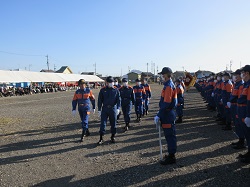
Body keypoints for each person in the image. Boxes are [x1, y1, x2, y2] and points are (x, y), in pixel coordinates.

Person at [154, 67, 177, 165]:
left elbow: (166, 103)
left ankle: (172, 157)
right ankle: (171, 154)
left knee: (169, 136)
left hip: (167, 114)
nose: (162, 76)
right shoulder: (169, 85)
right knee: (169, 135)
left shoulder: (168, 86)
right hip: (167, 113)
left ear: (167, 74)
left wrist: (159, 114)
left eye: (163, 74)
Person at [97, 76, 121, 144]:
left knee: (113, 124)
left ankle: (113, 137)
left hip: (113, 108)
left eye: (112, 82)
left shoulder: (116, 90)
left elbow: (119, 100)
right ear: (106, 82)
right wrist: (99, 109)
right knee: (103, 124)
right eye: (109, 82)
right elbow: (100, 100)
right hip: (105, 109)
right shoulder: (102, 90)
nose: (111, 83)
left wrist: (118, 108)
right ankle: (101, 138)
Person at [229, 69, 245, 149]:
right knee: (236, 124)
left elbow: (240, 98)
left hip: (238, 106)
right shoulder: (236, 84)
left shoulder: (241, 85)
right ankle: (240, 139)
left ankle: (242, 142)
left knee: (240, 125)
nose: (234, 76)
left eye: (236, 75)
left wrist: (231, 100)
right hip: (234, 106)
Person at [237, 65, 250, 163]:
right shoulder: (246, 84)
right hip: (243, 110)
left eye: (243, 73)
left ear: (247, 73)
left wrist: (249, 116)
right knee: (247, 135)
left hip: (247, 112)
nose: (242, 75)